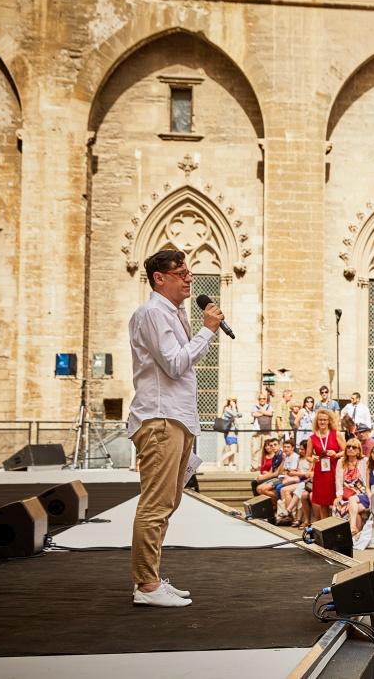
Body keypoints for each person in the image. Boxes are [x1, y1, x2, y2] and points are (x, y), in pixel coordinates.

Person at [128, 249, 223, 607]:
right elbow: (174, 364)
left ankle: (150, 577)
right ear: (159, 278)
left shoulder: (171, 313)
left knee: (167, 502)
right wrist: (207, 331)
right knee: (156, 504)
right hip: (160, 418)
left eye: (188, 272)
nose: (188, 278)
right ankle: (146, 586)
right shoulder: (152, 313)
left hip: (176, 417)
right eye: (180, 272)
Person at [307, 408, 344, 522]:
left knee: (335, 499)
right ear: (316, 422)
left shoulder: (336, 434)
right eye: (320, 420)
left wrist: (336, 454)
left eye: (324, 420)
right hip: (321, 472)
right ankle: (325, 527)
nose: (322, 422)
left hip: (334, 469)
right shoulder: (312, 438)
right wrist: (312, 458)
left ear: (329, 421)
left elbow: (346, 451)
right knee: (323, 503)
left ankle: (336, 525)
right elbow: (308, 456)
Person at [218, 397, 242, 469]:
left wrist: (235, 409)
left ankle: (230, 465)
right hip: (230, 433)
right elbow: (235, 414)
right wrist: (234, 406)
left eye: (235, 401)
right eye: (233, 401)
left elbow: (240, 415)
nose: (234, 402)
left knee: (233, 451)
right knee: (233, 450)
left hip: (233, 433)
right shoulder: (227, 409)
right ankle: (220, 460)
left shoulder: (231, 409)